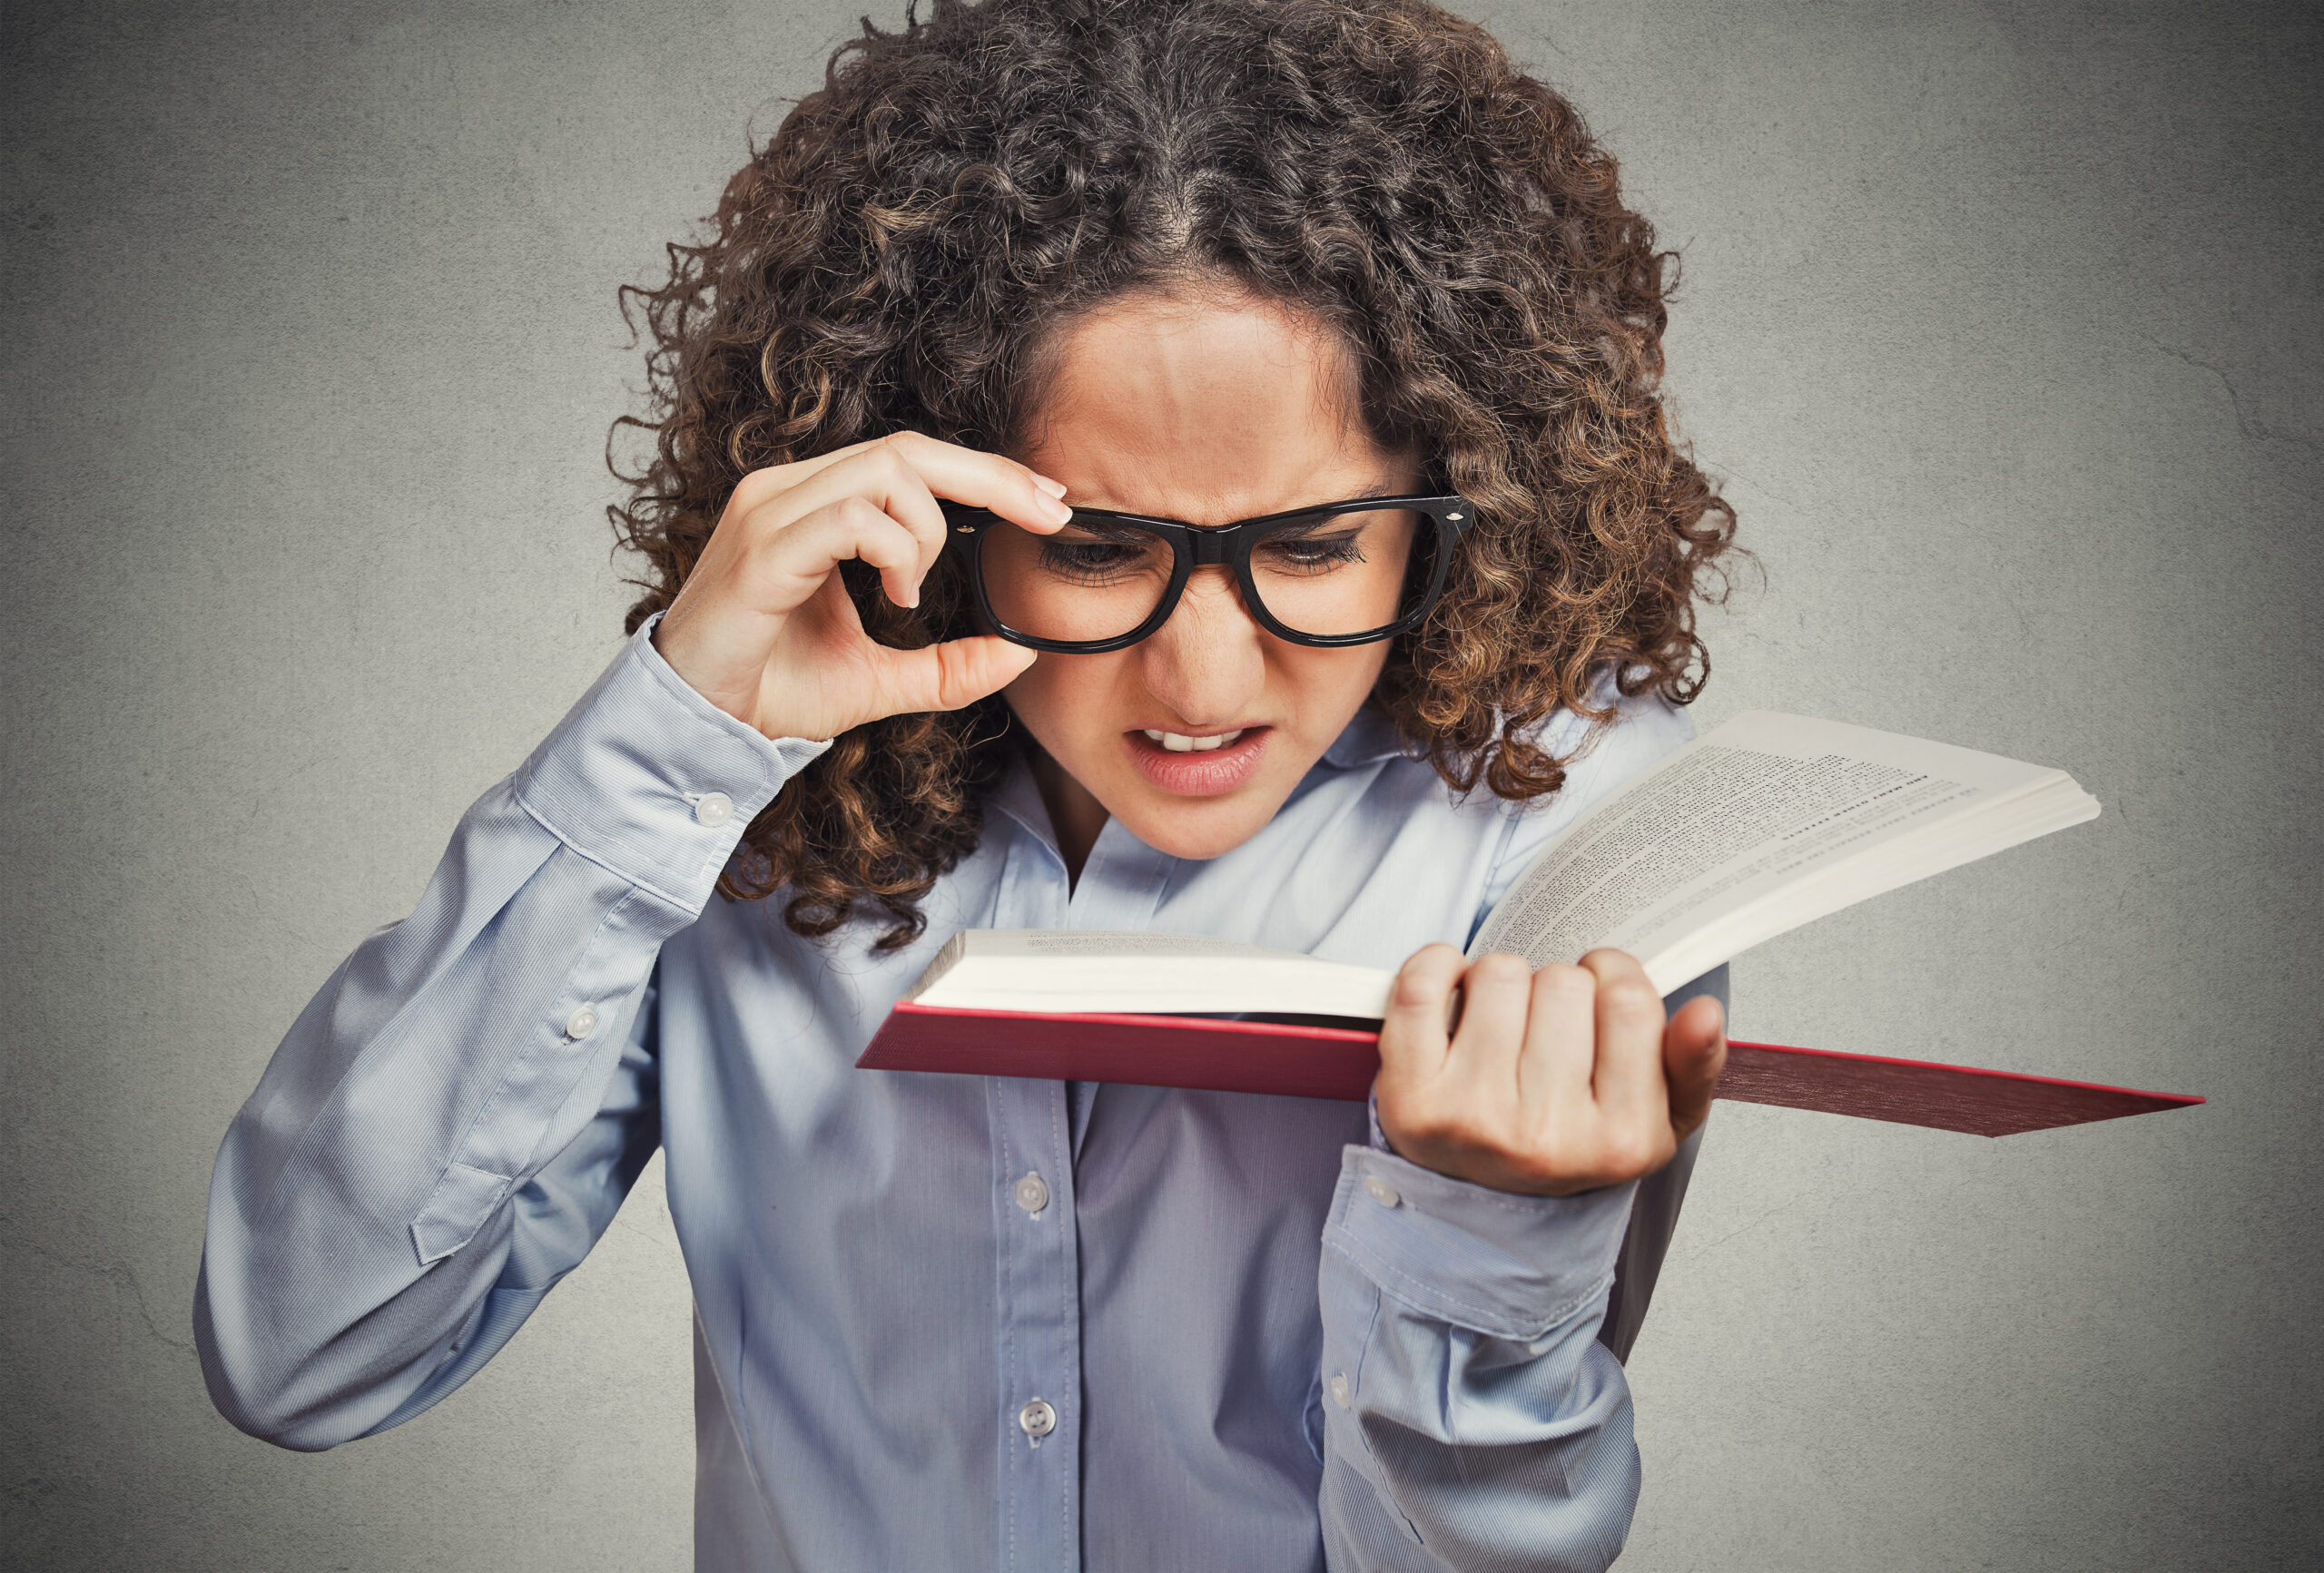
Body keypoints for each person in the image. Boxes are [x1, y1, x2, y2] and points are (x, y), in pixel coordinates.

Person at [194, 0, 1741, 1567]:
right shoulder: (726, 790)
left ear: (1456, 502)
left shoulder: (1567, 822)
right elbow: (301, 1348)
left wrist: (1488, 1246)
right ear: (934, 498)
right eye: (1098, 548)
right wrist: (671, 733)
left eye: (1314, 545)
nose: (1206, 680)